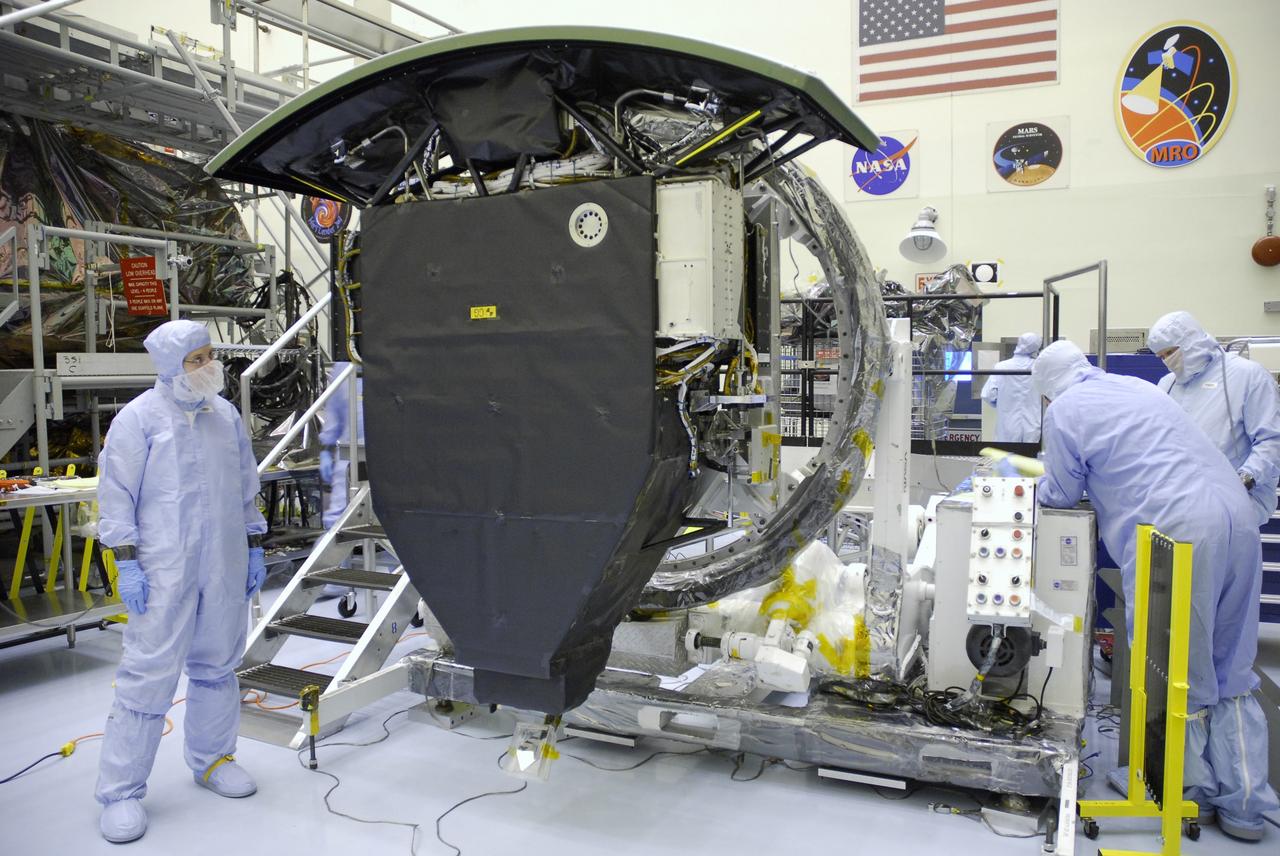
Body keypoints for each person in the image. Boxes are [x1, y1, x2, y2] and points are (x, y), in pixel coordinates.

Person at [1031, 340, 1277, 841]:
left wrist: (1030, 483)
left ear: (1047, 391)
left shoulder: (1066, 411)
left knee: (1175, 662)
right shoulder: (1137, 386)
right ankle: (1246, 804)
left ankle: (1181, 790)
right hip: (1236, 514)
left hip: (1177, 529)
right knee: (1232, 662)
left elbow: (1058, 492)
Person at [95, 320, 267, 844]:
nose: (209, 365)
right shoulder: (139, 420)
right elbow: (117, 493)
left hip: (223, 562)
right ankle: (121, 791)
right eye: (197, 358)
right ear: (172, 366)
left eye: (211, 355)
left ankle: (213, 760)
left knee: (218, 663)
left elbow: (244, 484)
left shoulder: (226, 415)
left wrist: (255, 543)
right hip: (162, 569)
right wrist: (125, 561)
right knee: (148, 675)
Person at [1147, 311, 1280, 528]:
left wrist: (1242, 481)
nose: (1167, 362)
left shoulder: (1247, 376)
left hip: (1237, 505)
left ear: (1190, 342)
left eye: (1170, 352)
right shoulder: (1167, 384)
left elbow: (1272, 441)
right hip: (1179, 505)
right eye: (1161, 357)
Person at [318, 361, 364, 529]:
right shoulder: (344, 367)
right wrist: (326, 449)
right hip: (349, 454)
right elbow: (334, 412)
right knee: (337, 521)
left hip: (395, 452)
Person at [980, 331, 1042, 442]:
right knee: (1029, 458)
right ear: (1036, 347)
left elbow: (988, 395)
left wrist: (1001, 404)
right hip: (1032, 429)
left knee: (1007, 458)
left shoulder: (1001, 367)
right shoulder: (1039, 368)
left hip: (1007, 429)